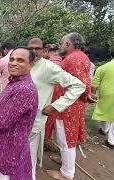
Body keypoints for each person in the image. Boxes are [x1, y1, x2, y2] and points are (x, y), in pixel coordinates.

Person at [27, 38, 86, 180]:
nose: (34, 51)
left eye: (37, 48)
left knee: (29, 160)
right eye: (31, 48)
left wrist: (55, 106)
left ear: (43, 50)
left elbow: (78, 86)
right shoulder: (25, 65)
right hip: (17, 121)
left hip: (34, 122)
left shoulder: (48, 67)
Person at [0, 47, 38, 180]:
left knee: (5, 175)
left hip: (10, 147)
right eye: (11, 59)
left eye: (20, 60)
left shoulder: (24, 89)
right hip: (5, 142)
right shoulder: (16, 82)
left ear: (31, 65)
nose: (13, 63)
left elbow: (3, 121)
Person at [47, 33, 93, 180]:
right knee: (65, 137)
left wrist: (86, 95)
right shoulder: (80, 57)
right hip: (70, 104)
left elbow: (81, 85)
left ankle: (66, 173)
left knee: (66, 138)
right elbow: (86, 81)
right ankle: (64, 161)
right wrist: (87, 95)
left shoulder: (73, 58)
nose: (61, 45)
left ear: (68, 44)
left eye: (62, 43)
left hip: (68, 107)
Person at [91, 58, 114, 148]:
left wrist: (93, 94)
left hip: (106, 95)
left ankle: (104, 129)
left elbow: (94, 84)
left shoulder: (102, 67)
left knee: (103, 111)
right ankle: (112, 141)